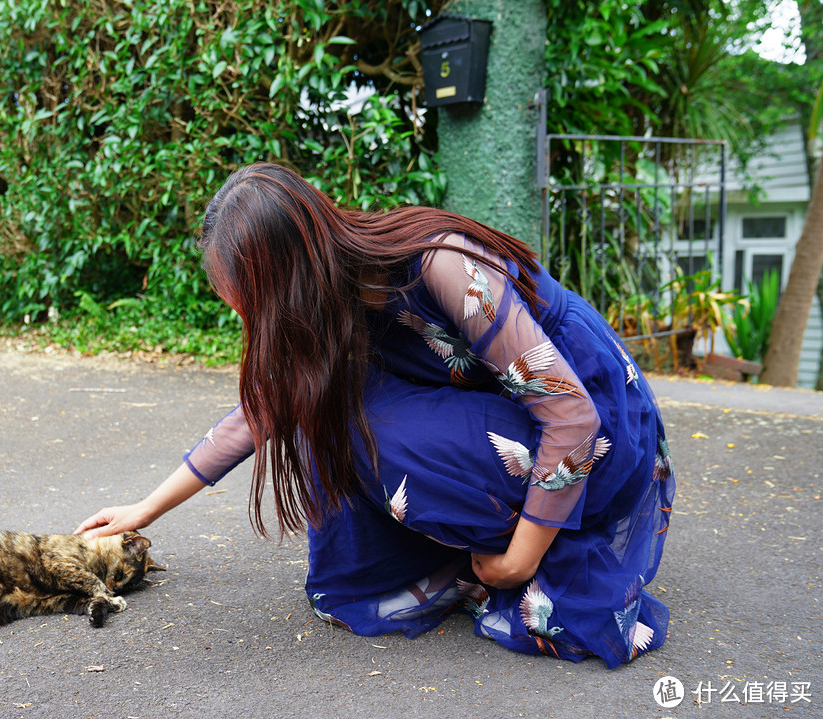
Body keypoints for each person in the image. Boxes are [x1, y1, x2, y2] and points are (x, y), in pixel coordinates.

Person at [76, 162, 675, 668]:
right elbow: (265, 408)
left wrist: (522, 557)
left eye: (254, 308)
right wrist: (146, 507)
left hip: (597, 434)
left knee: (368, 428)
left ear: (290, 279)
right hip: (512, 419)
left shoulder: (438, 264)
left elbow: (572, 419)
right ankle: (463, 554)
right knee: (324, 405)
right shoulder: (330, 301)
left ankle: (530, 544)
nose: (251, 327)